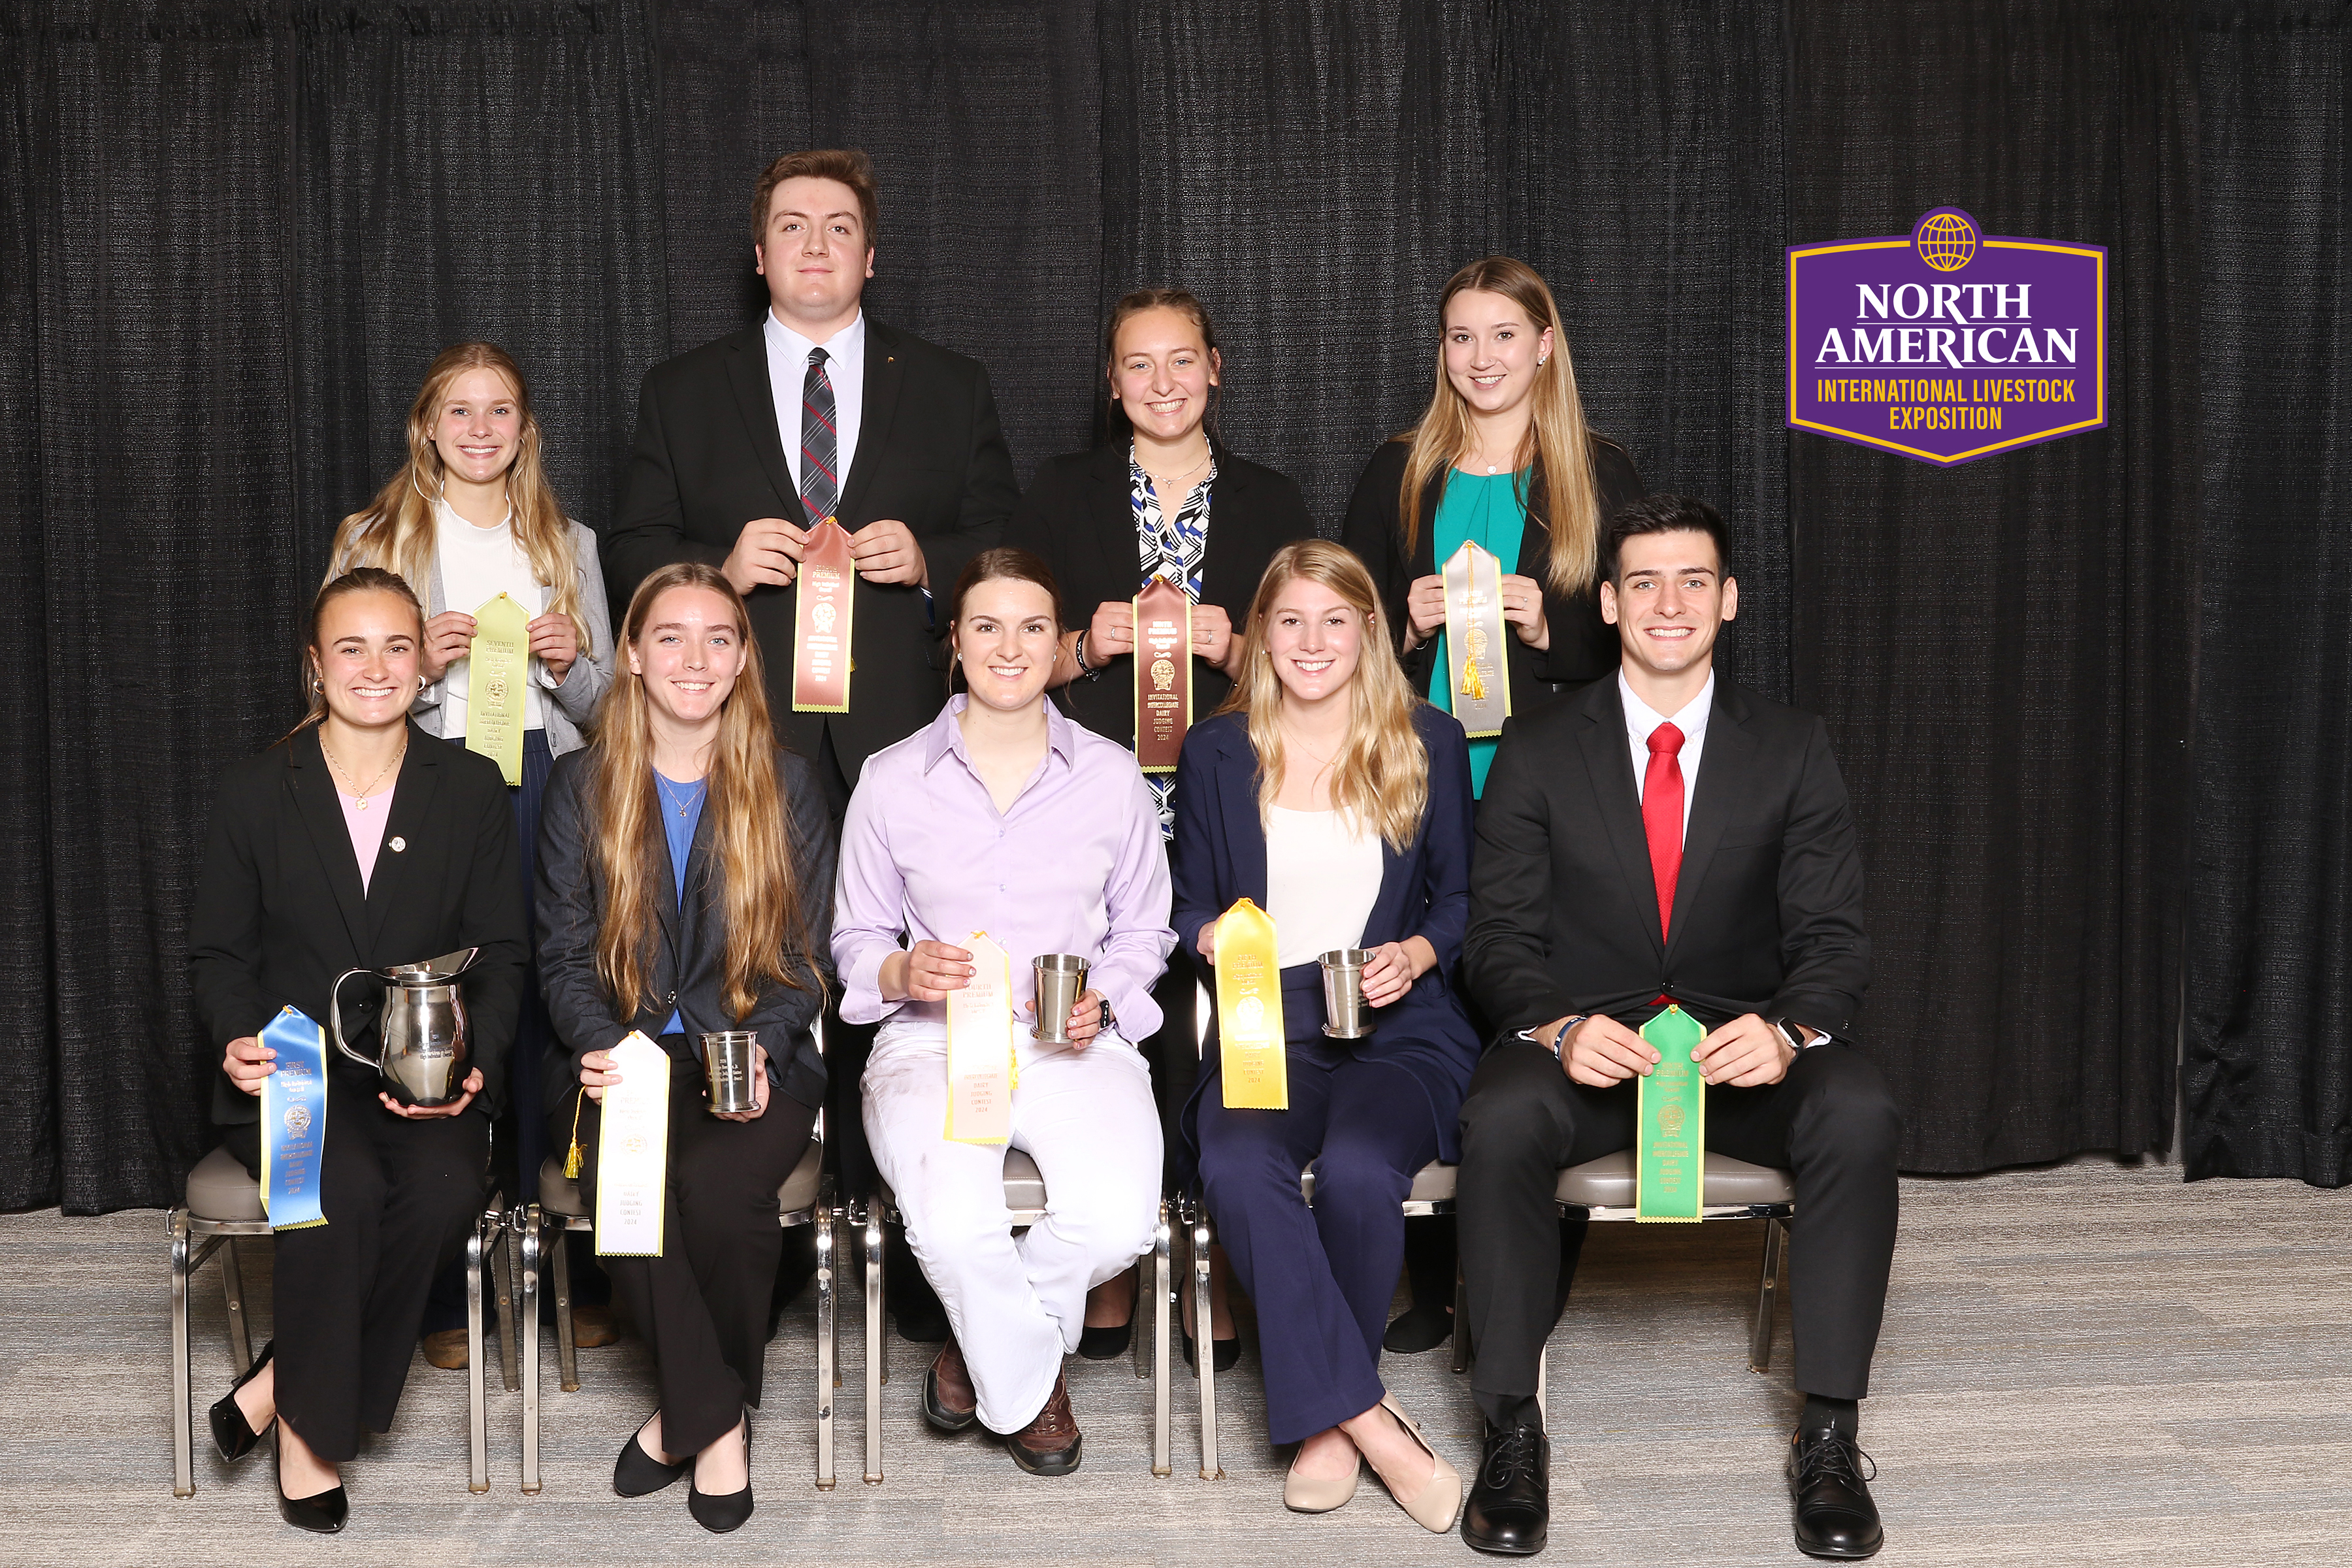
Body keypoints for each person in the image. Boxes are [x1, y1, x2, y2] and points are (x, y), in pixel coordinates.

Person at [605, 148, 1017, 1331]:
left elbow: (1006, 543)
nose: (818, 246)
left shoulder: (951, 383)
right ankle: (765, 1244)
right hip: (743, 736)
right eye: (793, 227)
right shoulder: (684, 391)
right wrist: (714, 570)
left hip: (901, 737)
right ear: (760, 255)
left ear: (871, 255)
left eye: (840, 228)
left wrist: (933, 559)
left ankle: (905, 1253)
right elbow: (628, 550)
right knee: (760, 963)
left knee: (903, 986)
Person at [1454, 495, 1896, 1560]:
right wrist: (1556, 1028)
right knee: (1502, 1117)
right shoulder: (1537, 744)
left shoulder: (1792, 749)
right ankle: (1512, 1428)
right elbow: (1497, 940)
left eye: (1693, 580)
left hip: (1740, 1055)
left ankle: (1829, 1434)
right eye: (1643, 582)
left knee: (1860, 1107)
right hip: (1590, 1054)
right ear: (1608, 604)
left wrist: (1790, 1032)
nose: (1669, 602)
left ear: (1728, 599)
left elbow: (1834, 938)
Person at [1340, 253, 1643, 1356]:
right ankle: (1426, 1274)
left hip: (1547, 788)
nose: (1481, 360)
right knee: (1423, 1013)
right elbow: (1329, 643)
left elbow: (1649, 640)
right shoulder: (1397, 474)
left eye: (1503, 337)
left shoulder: (1597, 474)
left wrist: (1547, 627)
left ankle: (1524, 1273)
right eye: (1461, 338)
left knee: (1539, 1014)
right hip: (1415, 787)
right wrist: (1405, 624)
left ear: (1544, 345)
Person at [1006, 286, 1315, 1364]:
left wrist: (1246, 655)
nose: (1163, 383)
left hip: (1236, 802)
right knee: (1109, 1036)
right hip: (1101, 807)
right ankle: (1113, 1271)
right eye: (1140, 365)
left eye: (1182, 361)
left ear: (1216, 369)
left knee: (1234, 1036)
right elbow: (1000, 655)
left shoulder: (1275, 502)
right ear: (1113, 382)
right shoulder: (1057, 496)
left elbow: (1326, 653)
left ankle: (1226, 1270)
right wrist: (1085, 649)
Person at [188, 568, 527, 1534]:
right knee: (340, 1192)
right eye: (350, 647)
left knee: (441, 1192)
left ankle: (282, 1380)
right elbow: (220, 955)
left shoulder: (468, 787)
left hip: (426, 1072)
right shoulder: (257, 791)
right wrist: (234, 1039)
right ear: (314, 667)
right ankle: (309, 1438)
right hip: (294, 1077)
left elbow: (504, 953)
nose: (374, 668)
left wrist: (477, 1061)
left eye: (394, 647)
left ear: (424, 665)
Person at [831, 547, 1172, 1475]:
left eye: (1032, 629)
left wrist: (1109, 997)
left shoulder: (1112, 778)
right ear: (956, 645)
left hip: (1073, 1046)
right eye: (987, 626)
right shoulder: (891, 778)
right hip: (932, 1047)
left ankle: (976, 1356)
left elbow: (1146, 931)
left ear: (1065, 649)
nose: (1009, 648)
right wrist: (902, 970)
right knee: (948, 1221)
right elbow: (855, 937)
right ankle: (1028, 1389)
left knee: (1118, 1222)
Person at [1172, 539, 1476, 1534]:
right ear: (1260, 632)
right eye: (1290, 619)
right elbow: (1180, 909)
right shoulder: (1216, 751)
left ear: (1368, 631)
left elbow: (1461, 900)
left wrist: (1421, 956)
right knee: (1237, 1159)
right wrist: (1206, 933)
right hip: (1270, 1022)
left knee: (1355, 1168)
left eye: (1334, 620)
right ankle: (1367, 1420)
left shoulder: (1427, 737)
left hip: (1400, 1025)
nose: (1312, 641)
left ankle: (1324, 1425)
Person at [328, 340, 617, 1367]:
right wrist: (419, 663)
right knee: (437, 1003)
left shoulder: (569, 541)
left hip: (544, 781)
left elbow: (612, 706)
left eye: (501, 411)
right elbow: (334, 685)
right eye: (462, 411)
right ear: (429, 427)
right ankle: (443, 1288)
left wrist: (574, 660)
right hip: (430, 779)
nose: (482, 429)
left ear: (525, 430)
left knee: (548, 1003)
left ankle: (568, 1264)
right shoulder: (374, 536)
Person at [536, 561, 836, 1534]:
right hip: (618, 1053)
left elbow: (803, 957)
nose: (694, 658)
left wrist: (750, 1055)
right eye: (670, 636)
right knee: (630, 1187)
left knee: (720, 1193)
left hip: (757, 1048)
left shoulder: (788, 785)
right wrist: (610, 1045)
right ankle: (715, 1421)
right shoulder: (581, 785)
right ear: (629, 654)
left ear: (745, 658)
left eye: (719, 638)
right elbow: (560, 957)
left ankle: (684, 1415)